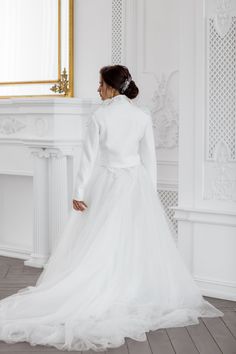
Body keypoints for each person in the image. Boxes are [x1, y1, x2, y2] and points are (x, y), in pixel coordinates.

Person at [0, 65, 224, 352]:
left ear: (111, 86)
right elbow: (150, 159)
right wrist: (150, 194)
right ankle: (131, 292)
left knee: (100, 242)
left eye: (100, 83)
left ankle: (108, 291)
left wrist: (78, 192)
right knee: (131, 242)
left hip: (106, 183)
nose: (97, 89)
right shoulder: (141, 116)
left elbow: (89, 159)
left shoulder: (100, 116)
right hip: (136, 185)